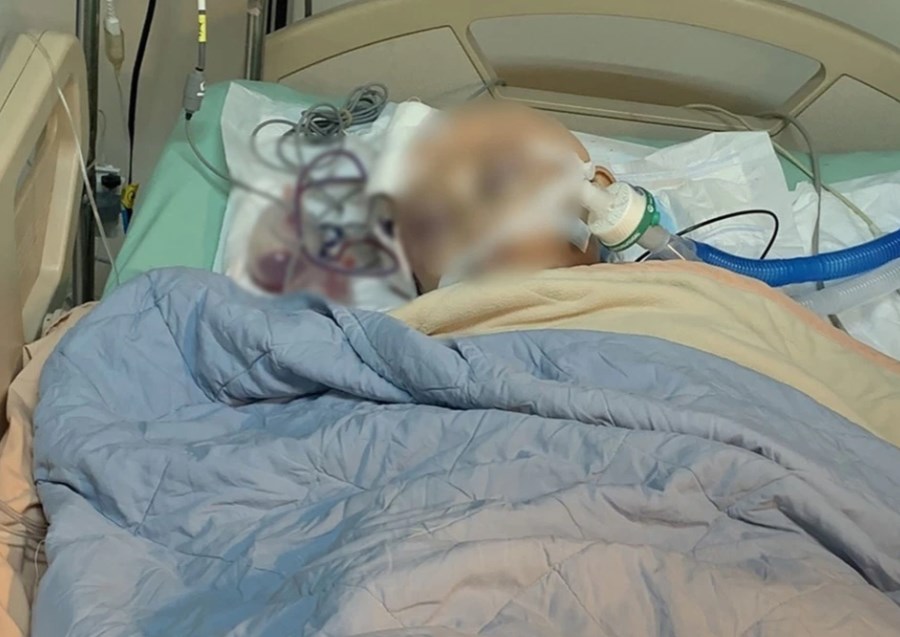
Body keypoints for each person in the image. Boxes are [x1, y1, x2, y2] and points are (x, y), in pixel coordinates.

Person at [391, 101, 615, 293]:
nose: (476, 224)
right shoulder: (395, 326)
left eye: (499, 183)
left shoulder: (633, 284)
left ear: (604, 195)